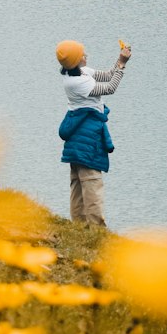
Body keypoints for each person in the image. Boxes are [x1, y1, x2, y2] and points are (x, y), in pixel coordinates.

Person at [56, 38, 132, 226]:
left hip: (78, 136)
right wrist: (122, 64)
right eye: (82, 54)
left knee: (77, 183)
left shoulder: (79, 73)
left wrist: (119, 60)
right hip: (86, 137)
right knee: (92, 183)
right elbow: (110, 88)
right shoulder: (77, 83)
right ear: (76, 60)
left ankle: (79, 225)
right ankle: (97, 229)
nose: (86, 55)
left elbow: (107, 76)